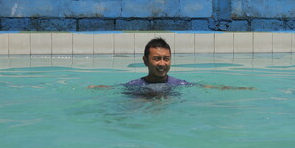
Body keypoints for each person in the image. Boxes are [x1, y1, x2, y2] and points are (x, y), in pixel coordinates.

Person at [88, 37, 254, 90]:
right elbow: (115, 88)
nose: (162, 63)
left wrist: (236, 89)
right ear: (145, 61)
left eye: (166, 59)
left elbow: (205, 87)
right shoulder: (136, 86)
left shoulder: (178, 84)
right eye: (157, 58)